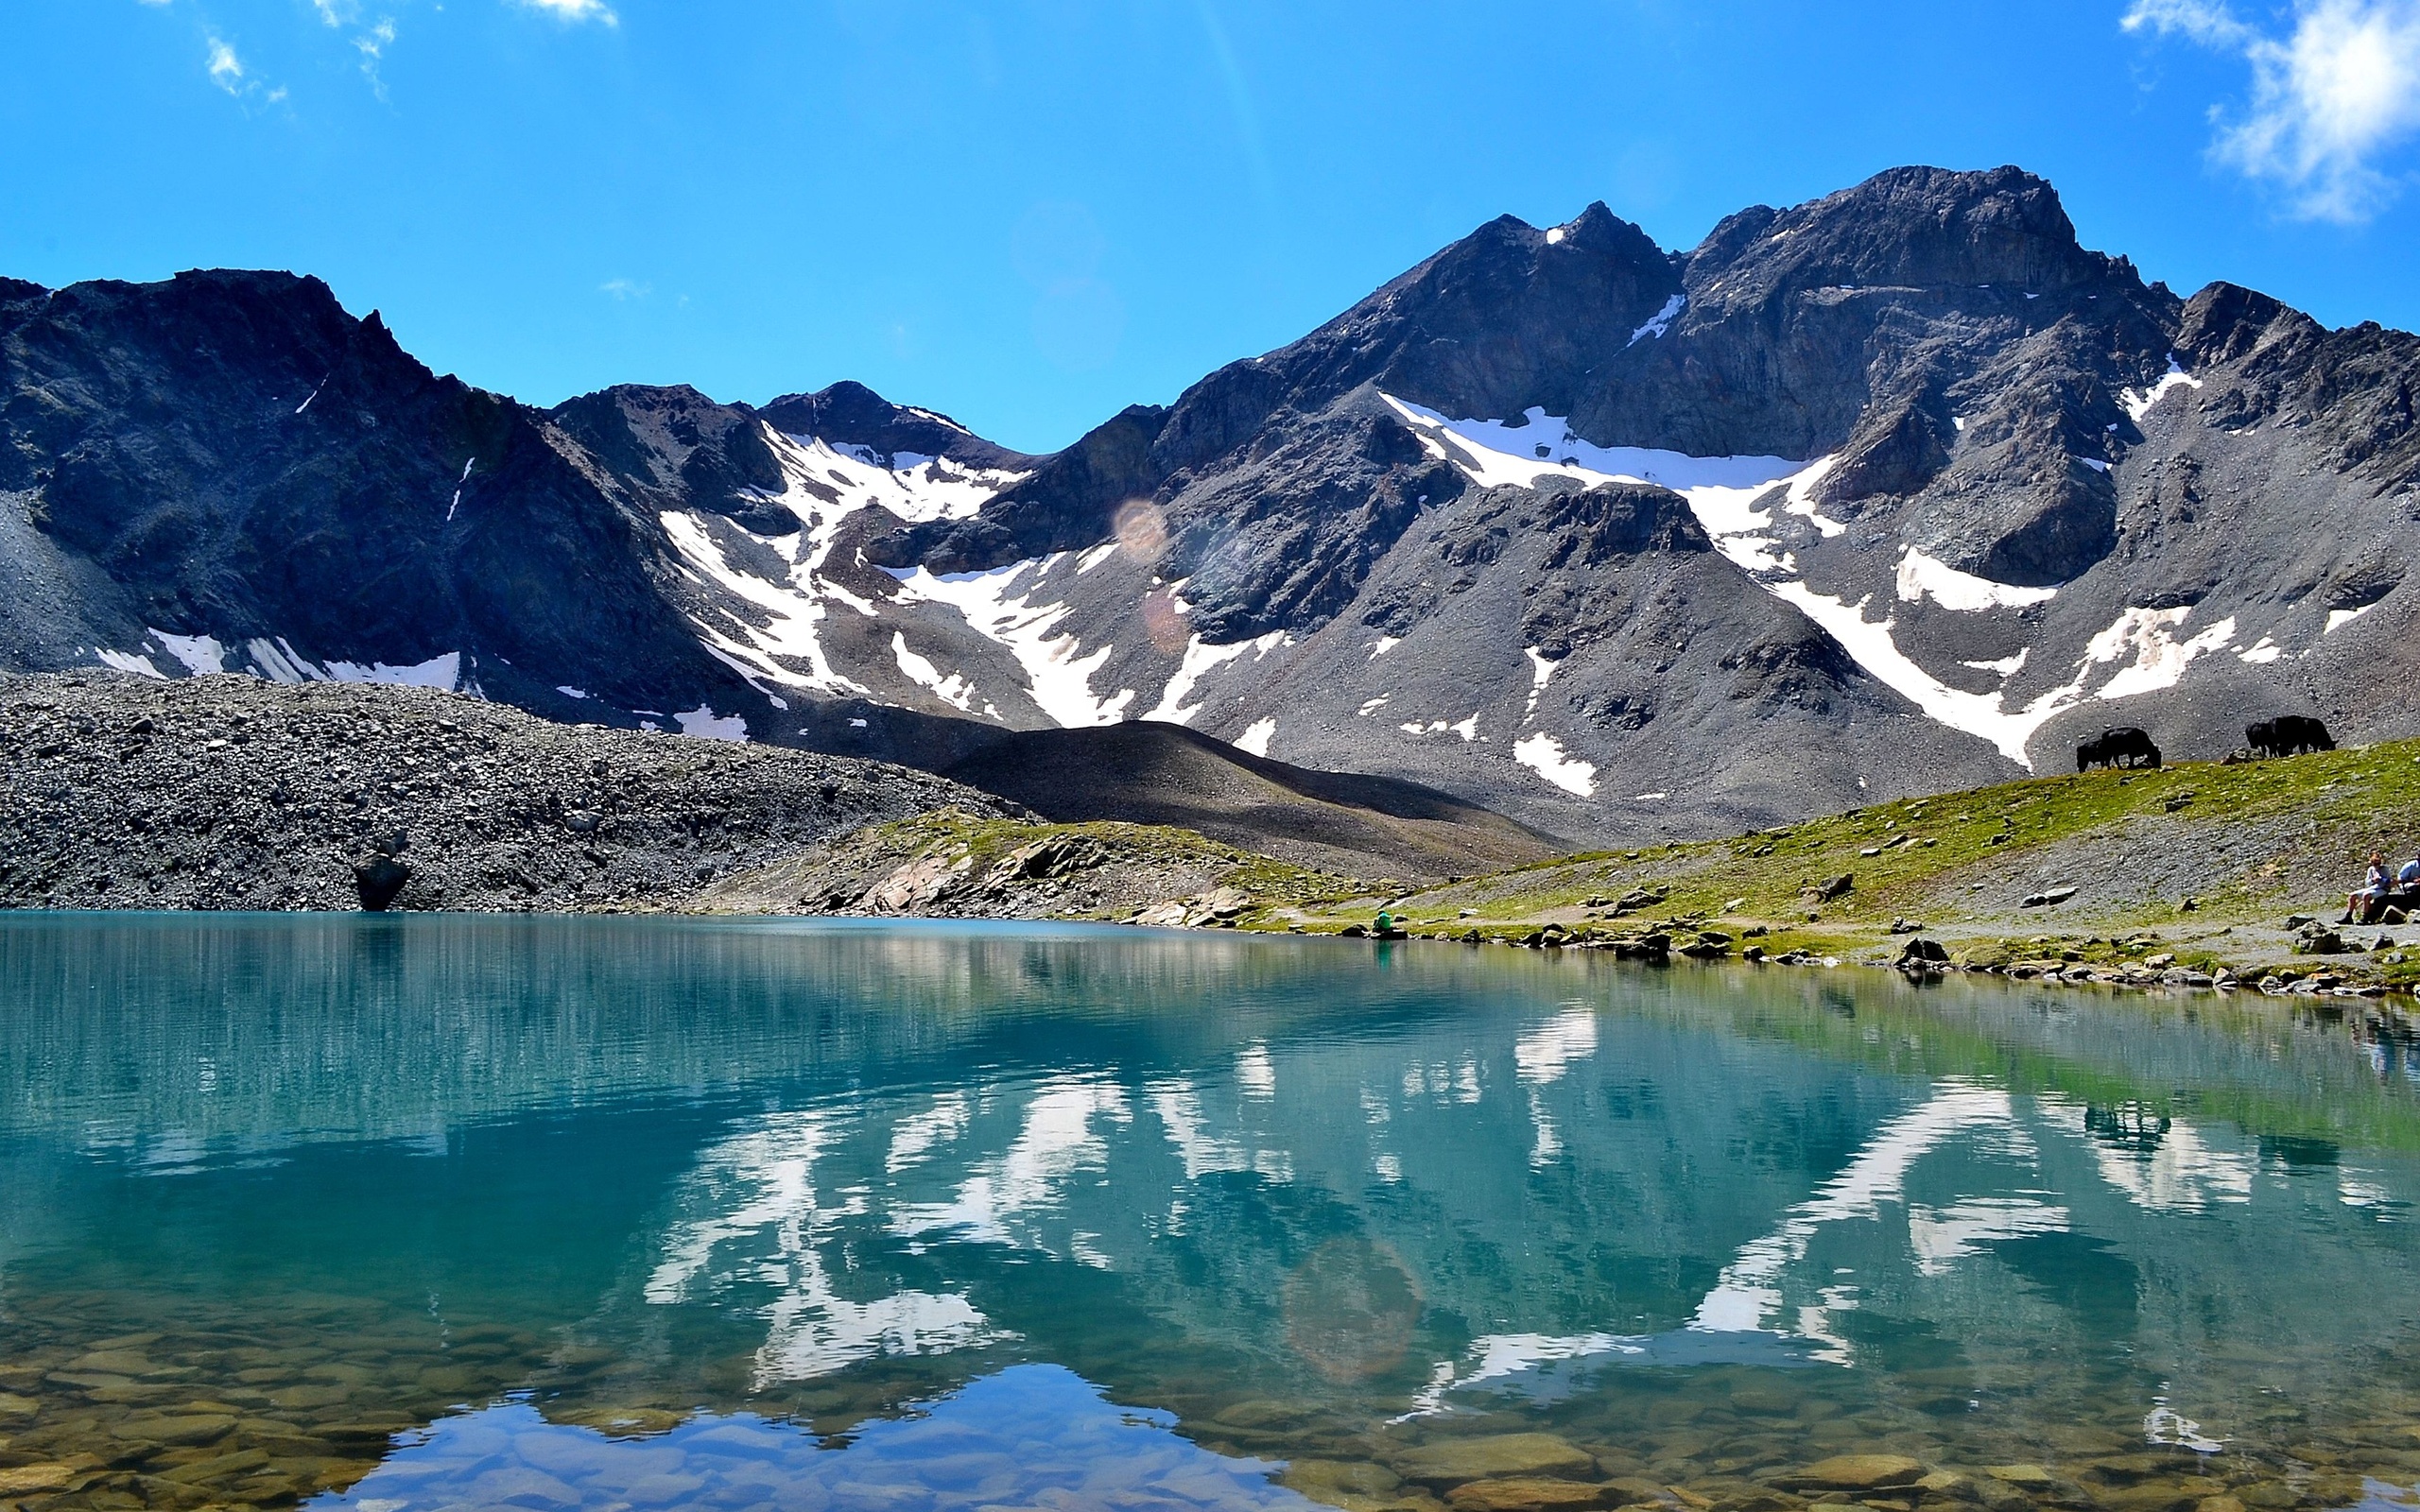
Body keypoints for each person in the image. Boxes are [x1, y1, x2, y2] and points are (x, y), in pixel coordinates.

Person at [2346, 851, 2391, 924]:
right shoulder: (2371, 869)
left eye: (2378, 862)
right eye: (2375, 863)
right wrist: (2372, 880)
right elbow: (2367, 882)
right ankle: (2348, 916)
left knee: (2366, 895)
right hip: (2372, 888)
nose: (2377, 865)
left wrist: (2380, 879)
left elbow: (2387, 881)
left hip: (2382, 889)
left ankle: (2365, 917)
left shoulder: (2385, 869)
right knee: (2352, 895)